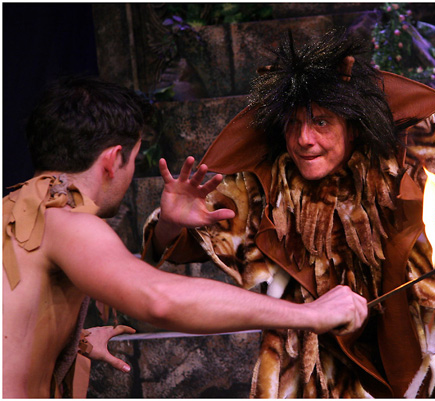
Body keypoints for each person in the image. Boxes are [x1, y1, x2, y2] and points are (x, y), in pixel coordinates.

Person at [143, 30, 435, 397]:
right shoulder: (260, 189)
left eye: (321, 122)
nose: (304, 139)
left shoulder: (407, 149)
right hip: (322, 360)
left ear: (352, 126)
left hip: (423, 326)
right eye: (293, 124)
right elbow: (178, 246)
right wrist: (170, 223)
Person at [2, 76, 368, 398]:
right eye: (134, 161)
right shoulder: (64, 222)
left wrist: (75, 340)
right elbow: (159, 298)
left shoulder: (18, 212)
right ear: (113, 160)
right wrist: (310, 314)